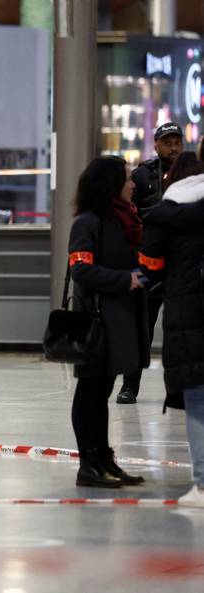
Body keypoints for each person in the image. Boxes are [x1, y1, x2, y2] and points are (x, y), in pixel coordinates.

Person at [67, 155, 149, 488]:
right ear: (110, 185)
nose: (133, 184)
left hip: (119, 320)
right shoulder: (87, 223)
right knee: (90, 392)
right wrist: (124, 280)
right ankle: (88, 463)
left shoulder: (123, 221)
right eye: (127, 179)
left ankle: (103, 458)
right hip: (96, 323)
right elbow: (81, 269)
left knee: (102, 391)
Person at [138, 151, 204, 507]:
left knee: (197, 398)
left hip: (185, 310)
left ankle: (203, 485)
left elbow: (150, 265)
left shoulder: (163, 215)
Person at [117, 121, 184, 404]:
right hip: (149, 265)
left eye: (177, 142)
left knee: (180, 331)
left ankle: (178, 389)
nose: (173, 148)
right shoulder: (142, 176)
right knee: (141, 328)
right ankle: (129, 386)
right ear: (156, 145)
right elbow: (128, 216)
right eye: (167, 143)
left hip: (183, 266)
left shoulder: (194, 174)